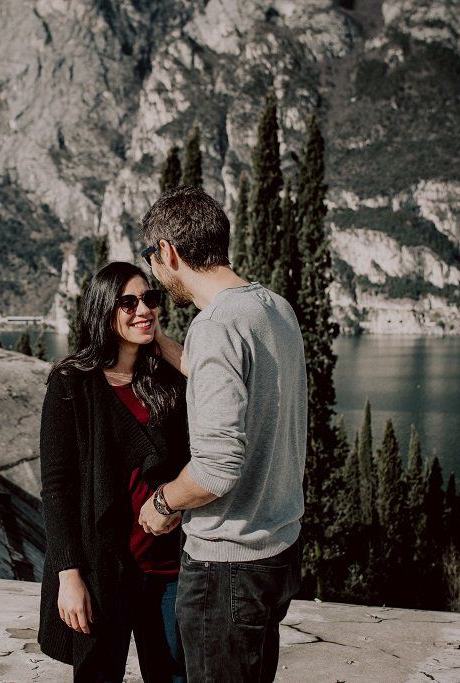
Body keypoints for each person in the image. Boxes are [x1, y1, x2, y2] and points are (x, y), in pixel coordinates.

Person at [136, 186, 307, 683]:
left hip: (226, 567)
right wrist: (164, 344)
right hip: (278, 548)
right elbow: (229, 379)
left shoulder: (214, 327)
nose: (155, 275)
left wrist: (163, 505)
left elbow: (215, 469)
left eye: (153, 260)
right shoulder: (272, 308)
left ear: (168, 251)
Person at [38, 261, 190, 682]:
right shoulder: (72, 383)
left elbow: (216, 386)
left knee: (175, 676)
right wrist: (68, 577)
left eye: (151, 299)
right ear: (105, 310)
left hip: (166, 569)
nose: (144, 309)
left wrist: (158, 339)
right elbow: (57, 488)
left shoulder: (168, 382)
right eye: (128, 302)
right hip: (101, 571)